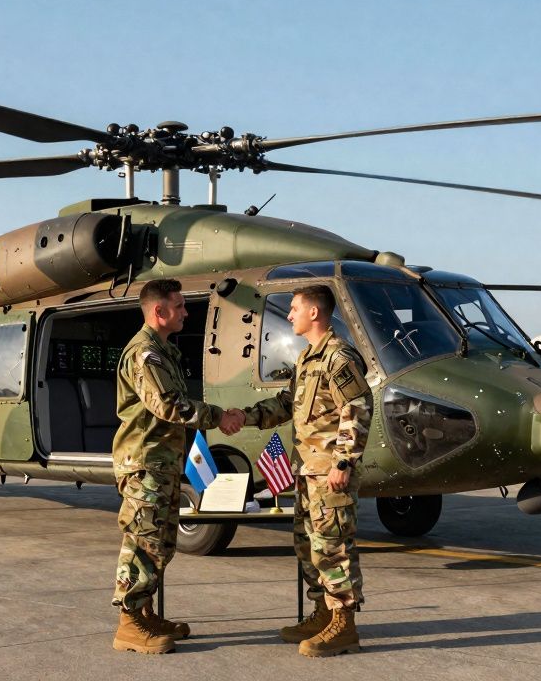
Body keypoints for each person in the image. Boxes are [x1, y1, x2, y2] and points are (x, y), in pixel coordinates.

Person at [232, 284, 373, 657]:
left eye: (294, 308)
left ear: (314, 312)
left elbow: (357, 408)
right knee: (308, 547)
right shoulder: (307, 358)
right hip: (308, 473)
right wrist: (241, 417)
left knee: (333, 547)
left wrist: (344, 461)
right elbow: (285, 404)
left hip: (330, 473)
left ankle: (344, 626)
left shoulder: (339, 357)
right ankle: (323, 614)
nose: (289, 314)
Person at [111, 278, 244, 654]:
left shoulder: (165, 351)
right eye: (181, 306)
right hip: (145, 461)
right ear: (160, 311)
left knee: (161, 543)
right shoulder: (145, 354)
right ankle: (129, 623)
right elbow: (169, 405)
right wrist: (219, 417)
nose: (186, 312)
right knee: (142, 541)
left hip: (163, 462)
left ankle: (145, 612)